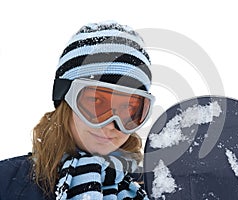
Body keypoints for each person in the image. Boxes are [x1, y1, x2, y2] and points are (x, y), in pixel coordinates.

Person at [0, 21, 154, 200]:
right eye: (96, 102)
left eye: (128, 109)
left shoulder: (151, 188)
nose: (112, 124)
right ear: (65, 97)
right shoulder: (7, 184)